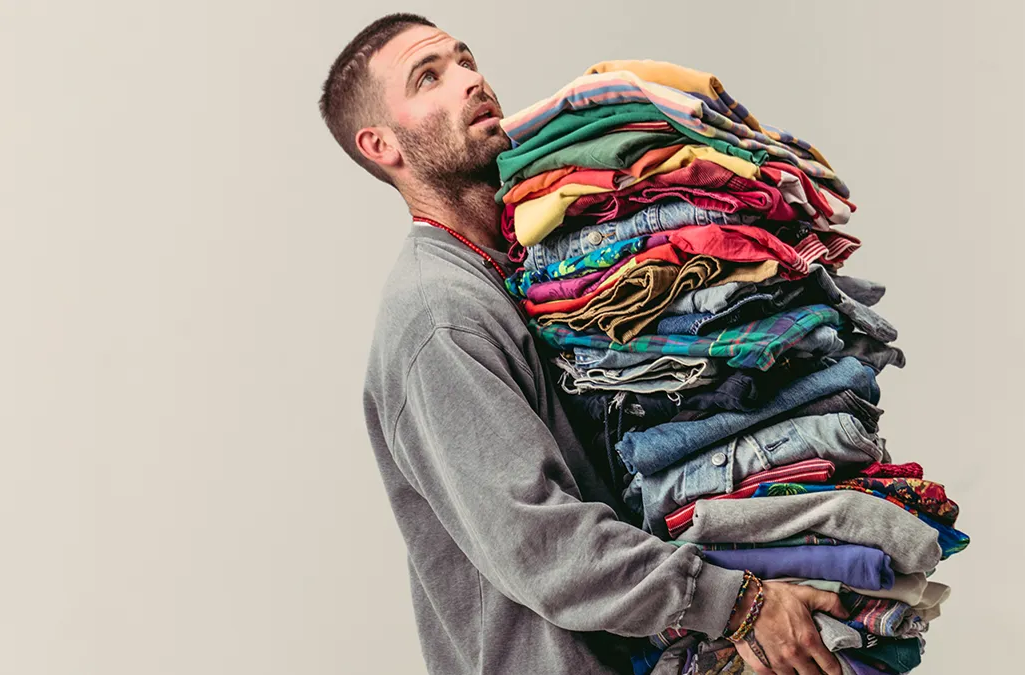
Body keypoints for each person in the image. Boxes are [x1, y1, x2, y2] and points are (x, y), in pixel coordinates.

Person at [318, 13, 849, 675]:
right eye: (430, 78)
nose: (471, 82)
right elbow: (539, 540)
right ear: (381, 144)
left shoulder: (548, 267)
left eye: (465, 60)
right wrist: (734, 601)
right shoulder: (438, 314)